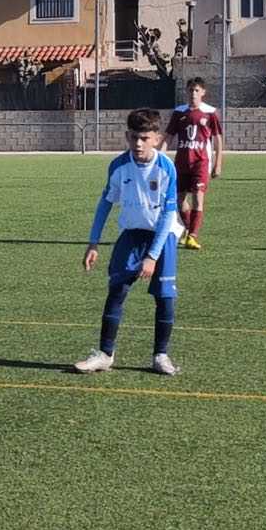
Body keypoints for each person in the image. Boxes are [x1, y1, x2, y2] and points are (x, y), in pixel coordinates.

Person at [74, 108, 181, 377]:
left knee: (164, 299)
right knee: (116, 291)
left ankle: (160, 355)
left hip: (162, 237)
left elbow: (169, 214)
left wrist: (153, 256)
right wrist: (93, 243)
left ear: (157, 138)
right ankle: (105, 354)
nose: (138, 144)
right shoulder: (119, 166)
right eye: (134, 137)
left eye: (144, 138)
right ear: (126, 136)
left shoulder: (166, 167)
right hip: (131, 237)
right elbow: (105, 204)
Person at [162, 77, 224, 250]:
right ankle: (189, 230)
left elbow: (218, 139)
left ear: (203, 93)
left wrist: (218, 163)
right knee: (179, 199)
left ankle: (193, 236)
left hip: (201, 162)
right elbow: (169, 136)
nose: (193, 94)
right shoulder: (179, 112)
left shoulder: (210, 112)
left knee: (198, 197)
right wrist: (160, 157)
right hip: (181, 162)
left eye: (197, 90)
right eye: (190, 90)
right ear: (187, 92)